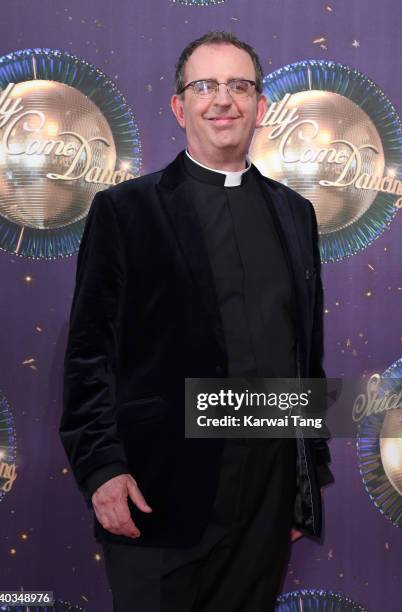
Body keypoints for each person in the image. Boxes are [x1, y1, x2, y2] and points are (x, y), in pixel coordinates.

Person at [60, 31, 334, 612]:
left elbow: (305, 352)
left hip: (265, 503)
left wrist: (303, 485)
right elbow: (89, 354)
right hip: (159, 498)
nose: (223, 100)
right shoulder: (124, 211)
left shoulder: (296, 214)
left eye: (239, 86)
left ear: (261, 107)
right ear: (179, 106)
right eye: (205, 85)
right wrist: (102, 468)